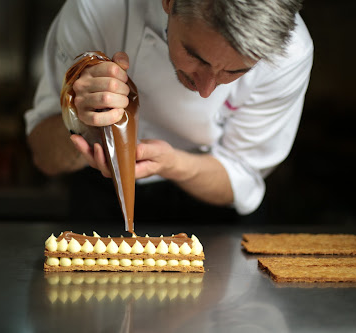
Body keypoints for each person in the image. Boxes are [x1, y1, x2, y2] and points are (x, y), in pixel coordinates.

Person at [25, 0, 313, 223]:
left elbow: (242, 175)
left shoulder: (291, 53)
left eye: (235, 71)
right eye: (195, 56)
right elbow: (44, 157)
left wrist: (172, 163)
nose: (206, 89)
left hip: (210, 213)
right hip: (100, 199)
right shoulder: (97, 8)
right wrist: (82, 119)